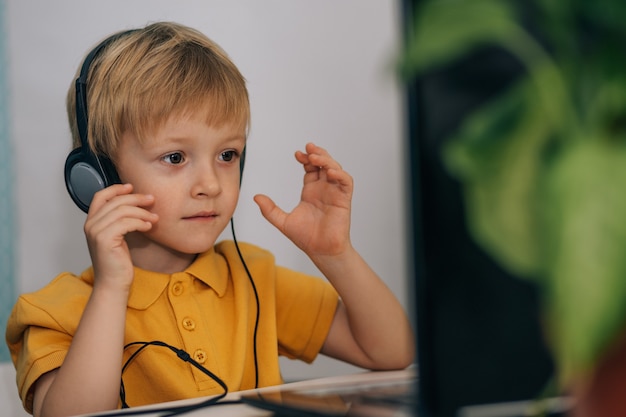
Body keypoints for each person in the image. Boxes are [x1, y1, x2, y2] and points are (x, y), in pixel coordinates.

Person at [5, 21, 415, 417]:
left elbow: (393, 352)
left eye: (227, 155)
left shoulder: (254, 277)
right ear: (97, 175)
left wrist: (336, 254)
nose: (211, 185)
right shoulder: (53, 313)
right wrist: (112, 288)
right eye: (175, 157)